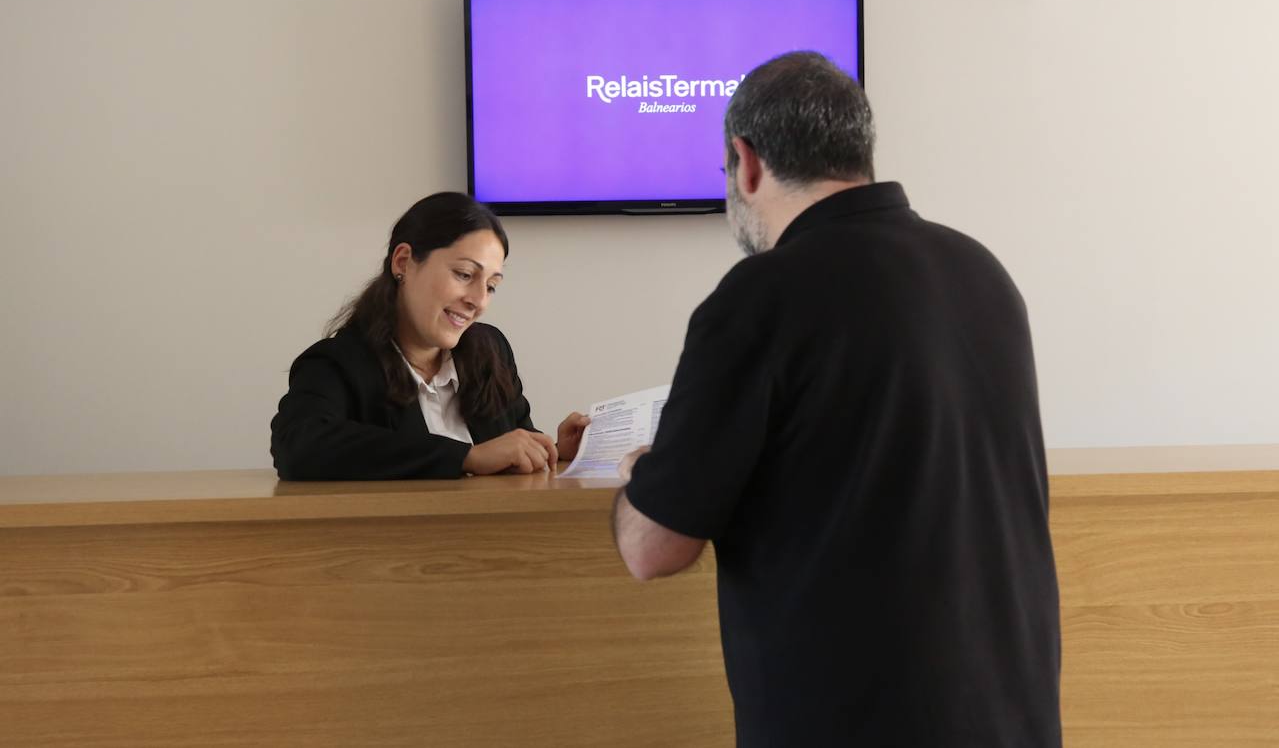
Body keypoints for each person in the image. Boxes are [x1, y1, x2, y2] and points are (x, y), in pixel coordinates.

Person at [611, 52, 1062, 746]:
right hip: (1011, 718)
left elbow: (652, 548)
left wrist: (640, 478)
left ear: (746, 160)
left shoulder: (761, 296)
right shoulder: (982, 272)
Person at [271, 192, 588, 479]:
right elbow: (298, 447)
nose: (478, 300)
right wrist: (467, 457)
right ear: (404, 262)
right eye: (464, 275)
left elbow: (511, 452)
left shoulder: (492, 350)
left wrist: (556, 454)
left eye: (491, 286)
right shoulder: (336, 363)